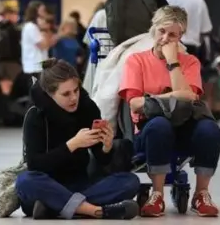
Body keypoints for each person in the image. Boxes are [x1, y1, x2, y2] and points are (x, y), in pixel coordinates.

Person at [118, 5, 220, 218]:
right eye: (162, 31)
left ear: (181, 36)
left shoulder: (189, 62)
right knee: (159, 125)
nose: (166, 38)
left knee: (211, 130)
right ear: (153, 30)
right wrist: (170, 97)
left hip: (185, 126)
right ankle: (157, 195)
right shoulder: (136, 61)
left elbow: (189, 97)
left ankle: (201, 193)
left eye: (173, 34)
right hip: (149, 129)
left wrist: (172, 62)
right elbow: (135, 103)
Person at [16, 59, 140, 220]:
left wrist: (106, 147)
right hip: (46, 184)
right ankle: (95, 211)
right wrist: (72, 145)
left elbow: (102, 160)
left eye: (76, 90)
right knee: (25, 181)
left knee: (130, 181)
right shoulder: (35, 115)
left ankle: (54, 208)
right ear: (50, 94)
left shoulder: (87, 108)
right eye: (66, 94)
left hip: (78, 184)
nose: (74, 98)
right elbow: (35, 164)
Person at [159, 0, 216, 108]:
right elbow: (206, 29)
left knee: (163, 84)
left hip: (163, 44)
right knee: (188, 89)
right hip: (189, 49)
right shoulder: (198, 1)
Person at [21, 0, 56, 78]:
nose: (45, 12)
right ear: (36, 11)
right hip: (33, 67)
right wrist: (44, 30)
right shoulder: (31, 27)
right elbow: (43, 45)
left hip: (40, 65)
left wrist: (46, 30)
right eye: (42, 10)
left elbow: (49, 44)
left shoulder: (37, 27)